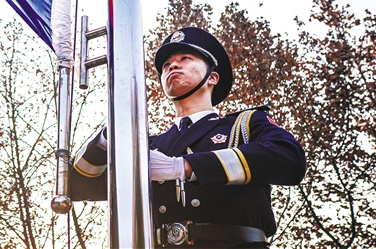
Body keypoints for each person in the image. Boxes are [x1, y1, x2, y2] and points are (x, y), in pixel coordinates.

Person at [70, 27, 306, 248]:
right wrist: (106, 139)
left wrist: (184, 166)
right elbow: (78, 187)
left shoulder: (243, 124)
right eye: (166, 65)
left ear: (212, 78)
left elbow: (290, 159)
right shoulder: (149, 146)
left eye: (185, 58)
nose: (173, 66)